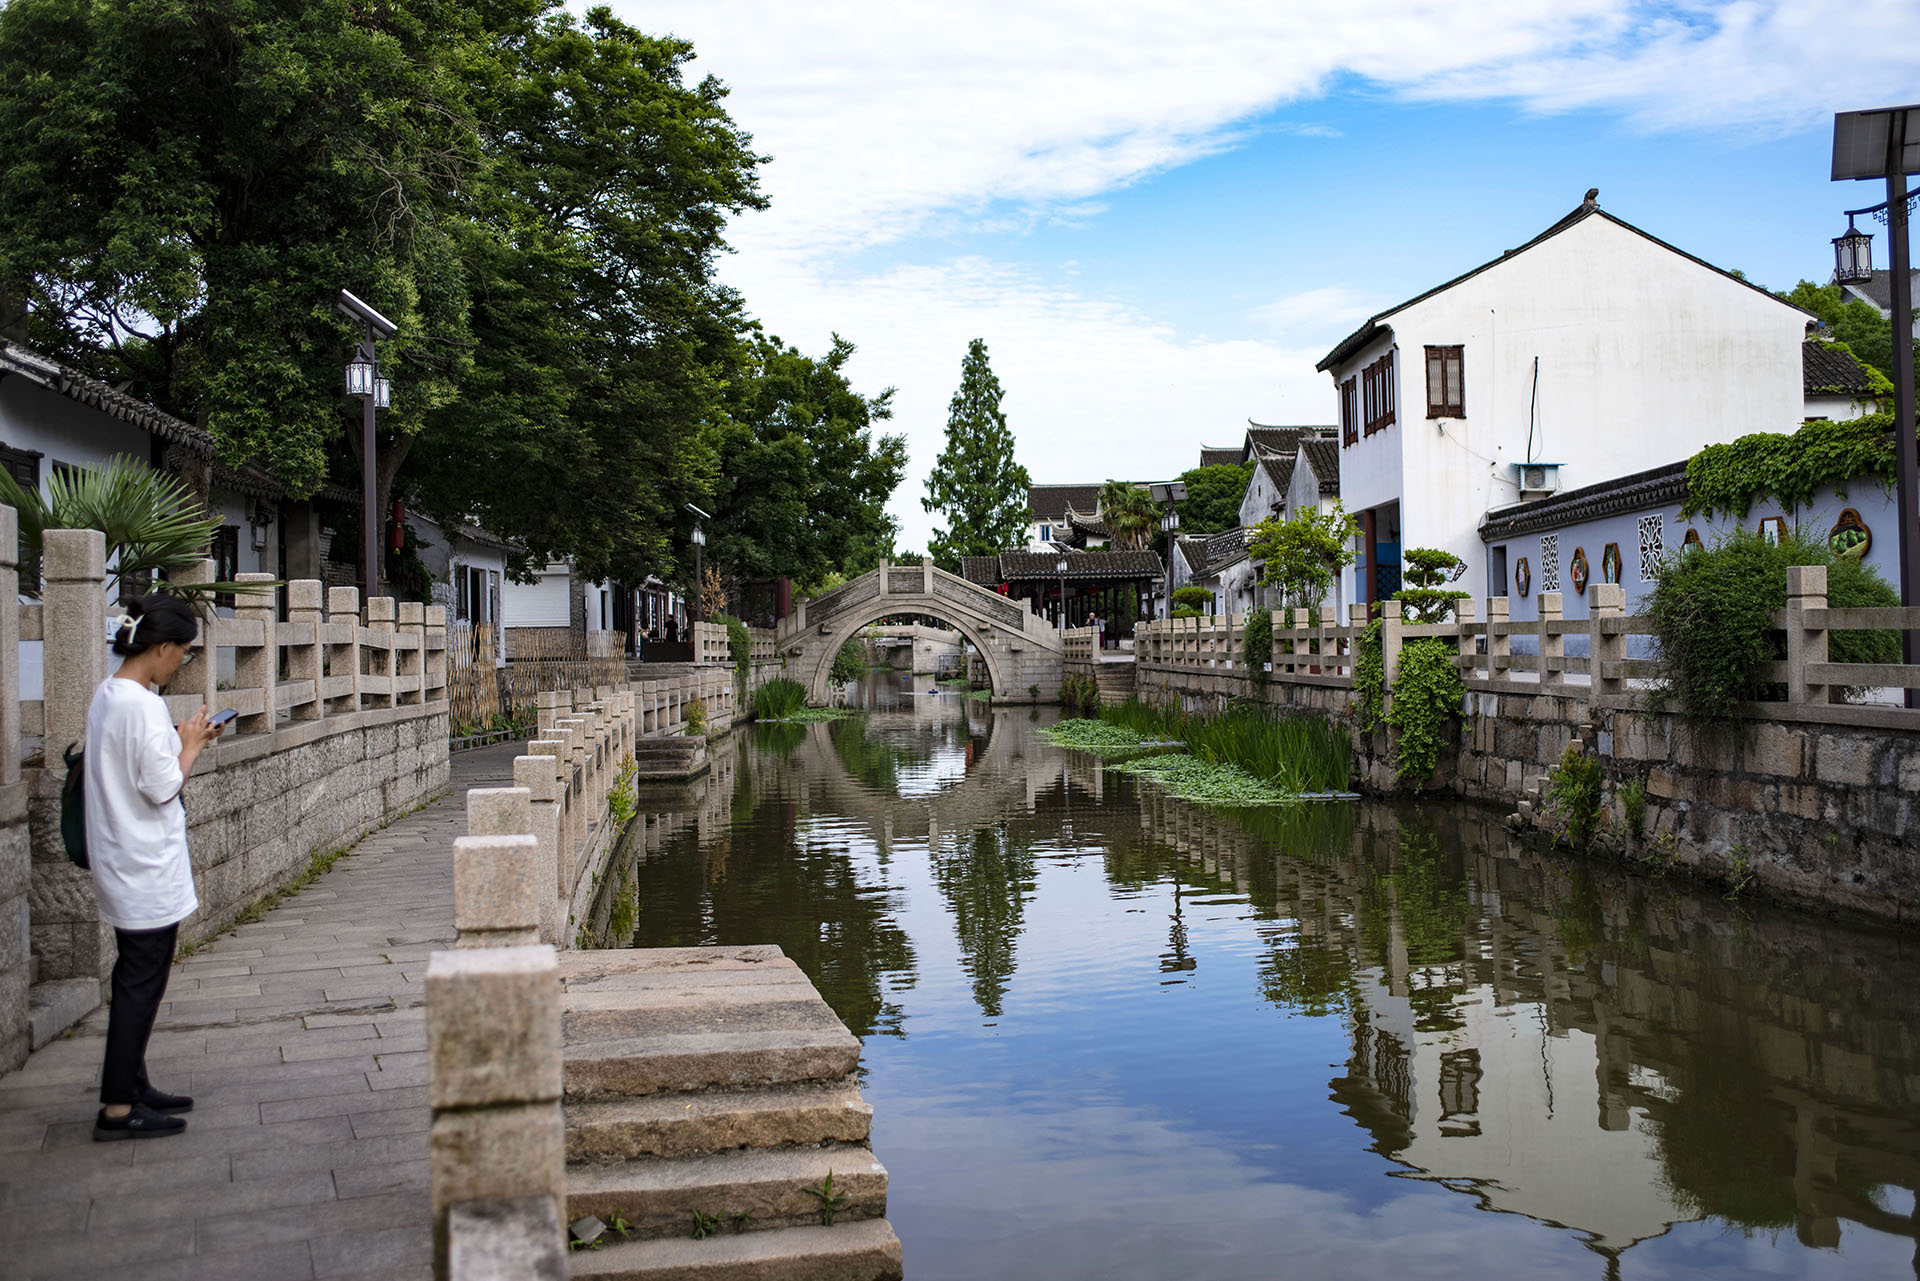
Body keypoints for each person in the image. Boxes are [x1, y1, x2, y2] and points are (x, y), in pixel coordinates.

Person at [84, 594, 225, 1140]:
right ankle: (118, 1109)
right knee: (142, 983)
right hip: (141, 863)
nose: (181, 664)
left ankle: (133, 1083)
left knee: (134, 979)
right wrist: (189, 748)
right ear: (162, 647)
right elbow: (162, 784)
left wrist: (186, 740)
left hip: (121, 855)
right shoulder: (140, 704)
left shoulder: (110, 694)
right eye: (182, 654)